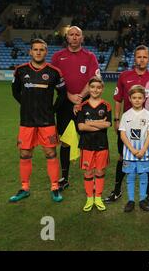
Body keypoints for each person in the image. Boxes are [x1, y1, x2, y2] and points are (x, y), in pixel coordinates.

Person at [105, 45, 149, 204]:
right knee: (123, 156)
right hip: (127, 125)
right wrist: (116, 120)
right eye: (139, 57)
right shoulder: (124, 76)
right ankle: (117, 190)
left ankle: (148, 191)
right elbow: (118, 100)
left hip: (148, 127)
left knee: (148, 156)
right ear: (134, 58)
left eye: (145, 57)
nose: (142, 59)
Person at [9, 38, 66, 203]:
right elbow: (15, 92)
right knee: (25, 153)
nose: (38, 52)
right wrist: (26, 105)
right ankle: (24, 188)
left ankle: (55, 187)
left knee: (50, 153)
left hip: (46, 122)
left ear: (46, 52)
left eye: (42, 49)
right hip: (27, 121)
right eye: (35, 49)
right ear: (30, 52)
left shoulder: (54, 72)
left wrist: (52, 109)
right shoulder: (20, 71)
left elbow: (62, 93)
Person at [51, 26, 100, 192]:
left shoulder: (90, 56)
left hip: (86, 104)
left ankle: (91, 173)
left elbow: (94, 78)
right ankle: (64, 177)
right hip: (64, 104)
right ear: (67, 37)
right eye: (71, 34)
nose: (74, 37)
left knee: (89, 139)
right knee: (65, 141)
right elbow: (53, 80)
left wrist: (79, 96)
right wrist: (69, 95)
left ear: (82, 38)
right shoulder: (58, 57)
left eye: (77, 34)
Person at [77, 78, 112, 212]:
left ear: (102, 89)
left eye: (98, 87)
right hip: (86, 145)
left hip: (102, 145)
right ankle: (89, 197)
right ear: (89, 88)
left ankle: (98, 197)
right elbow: (81, 127)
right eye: (92, 87)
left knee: (100, 171)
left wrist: (89, 123)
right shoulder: (82, 105)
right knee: (88, 171)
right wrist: (99, 124)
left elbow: (108, 124)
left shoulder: (106, 105)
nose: (95, 90)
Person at [119, 85, 149, 212]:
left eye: (140, 97)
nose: (137, 100)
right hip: (129, 153)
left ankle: (142, 199)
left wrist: (144, 150)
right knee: (130, 176)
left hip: (144, 153)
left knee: (144, 175)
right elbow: (122, 134)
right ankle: (131, 200)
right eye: (134, 98)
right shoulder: (126, 115)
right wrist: (132, 150)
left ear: (144, 98)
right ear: (129, 98)